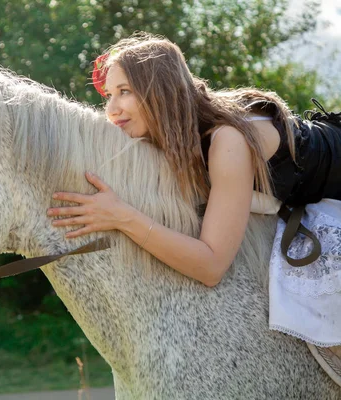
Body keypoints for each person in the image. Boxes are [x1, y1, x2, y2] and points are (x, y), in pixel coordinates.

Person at [46, 33, 341, 287]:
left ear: (161, 92)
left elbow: (211, 266)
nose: (111, 109)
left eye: (124, 92)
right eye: (109, 95)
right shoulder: (179, 132)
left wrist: (122, 216)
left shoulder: (227, 141)